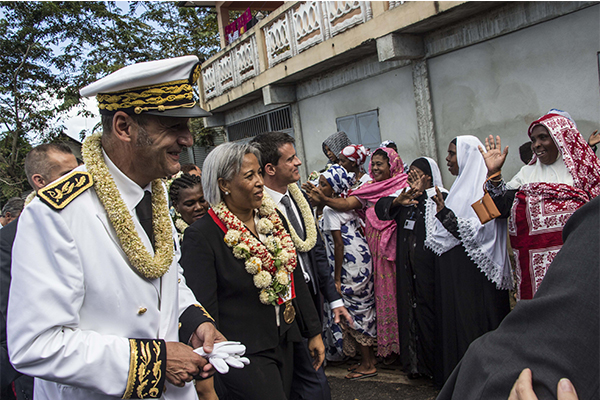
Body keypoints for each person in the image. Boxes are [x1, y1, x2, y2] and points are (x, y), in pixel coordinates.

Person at [7, 55, 225, 400]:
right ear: (124, 127)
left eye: (188, 128)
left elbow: (166, 280)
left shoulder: (153, 191)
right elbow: (35, 343)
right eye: (173, 126)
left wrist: (194, 320)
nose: (187, 140)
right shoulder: (56, 213)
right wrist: (154, 361)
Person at [179, 142, 324, 400]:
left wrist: (313, 332)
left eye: (259, 173)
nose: (260, 182)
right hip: (244, 353)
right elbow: (204, 307)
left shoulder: (272, 219)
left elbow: (293, 277)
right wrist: (207, 377)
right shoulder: (202, 236)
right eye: (249, 176)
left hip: (284, 340)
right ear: (224, 185)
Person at [436, 194, 599, 400]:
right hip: (540, 284)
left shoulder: (584, 183)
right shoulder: (521, 186)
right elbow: (492, 210)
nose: (450, 159)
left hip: (565, 288)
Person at [250, 131, 352, 400]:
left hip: (311, 299)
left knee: (310, 375)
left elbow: (317, 252)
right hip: (282, 305)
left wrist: (334, 300)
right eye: (291, 158)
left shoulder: (299, 198)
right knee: (309, 382)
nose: (298, 163)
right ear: (270, 169)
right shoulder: (258, 207)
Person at [480, 113, 600, 299]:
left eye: (543, 137)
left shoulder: (583, 175)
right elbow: (499, 209)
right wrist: (494, 174)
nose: (536, 145)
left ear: (560, 139)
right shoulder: (526, 175)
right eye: (533, 140)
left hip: (578, 268)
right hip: (538, 280)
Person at [306, 147, 409, 362]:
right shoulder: (367, 189)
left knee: (384, 301)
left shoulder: (402, 187)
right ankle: (385, 351)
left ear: (393, 165)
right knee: (376, 302)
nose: (376, 168)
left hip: (391, 252)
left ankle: (391, 352)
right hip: (372, 252)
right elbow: (346, 204)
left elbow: (339, 244)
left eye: (381, 164)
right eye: (375, 164)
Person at [427, 136, 511, 387]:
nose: (448, 159)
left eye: (452, 153)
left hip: (474, 279)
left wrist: (446, 215)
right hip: (455, 275)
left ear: (466, 156)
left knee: (472, 328)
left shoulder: (484, 189)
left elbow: (478, 232)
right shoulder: (458, 190)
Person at [1, 143, 79, 400]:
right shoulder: (10, 239)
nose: (80, 181)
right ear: (40, 181)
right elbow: (9, 308)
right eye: (68, 176)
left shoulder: (86, 220)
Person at [374, 157, 446, 380]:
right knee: (410, 314)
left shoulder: (441, 195)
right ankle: (415, 366)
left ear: (429, 177)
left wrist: (424, 193)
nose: (412, 178)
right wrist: (398, 201)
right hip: (407, 271)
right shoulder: (404, 197)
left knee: (430, 314)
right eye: (410, 173)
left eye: (418, 174)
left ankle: (434, 367)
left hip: (431, 272)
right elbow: (381, 209)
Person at [317, 165, 377, 380]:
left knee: (355, 312)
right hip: (363, 260)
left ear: (334, 189)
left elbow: (338, 245)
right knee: (364, 309)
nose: (318, 187)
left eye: (323, 184)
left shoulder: (329, 210)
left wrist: (335, 279)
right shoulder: (346, 204)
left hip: (349, 266)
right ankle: (366, 360)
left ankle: (368, 364)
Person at [169, 172, 209, 239]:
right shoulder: (172, 237)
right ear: (176, 206)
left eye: (202, 201)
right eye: (190, 204)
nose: (199, 207)